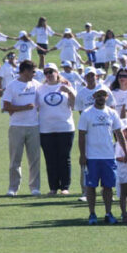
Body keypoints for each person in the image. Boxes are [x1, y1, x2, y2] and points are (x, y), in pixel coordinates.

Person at [78, 85, 124, 224]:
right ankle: (92, 214)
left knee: (108, 187)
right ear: (94, 97)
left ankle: (108, 213)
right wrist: (82, 155)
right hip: (92, 156)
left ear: (107, 97)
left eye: (103, 95)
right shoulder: (87, 113)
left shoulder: (112, 113)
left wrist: (126, 152)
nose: (100, 97)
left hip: (108, 156)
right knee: (91, 187)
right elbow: (81, 135)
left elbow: (119, 133)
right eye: (98, 95)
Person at [2, 60, 42, 197]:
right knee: (15, 159)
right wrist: (23, 108)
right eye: (32, 71)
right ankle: (13, 188)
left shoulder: (36, 85)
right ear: (25, 71)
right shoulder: (12, 85)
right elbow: (6, 106)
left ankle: (35, 188)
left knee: (35, 159)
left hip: (34, 126)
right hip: (17, 126)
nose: (34, 74)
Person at [37, 63, 76, 195]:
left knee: (64, 158)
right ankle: (53, 187)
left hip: (65, 127)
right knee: (50, 159)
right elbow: (36, 106)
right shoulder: (40, 88)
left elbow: (74, 105)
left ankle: (65, 187)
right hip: (46, 129)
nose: (49, 75)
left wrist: (69, 92)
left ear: (57, 72)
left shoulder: (66, 86)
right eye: (46, 72)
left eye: (51, 72)